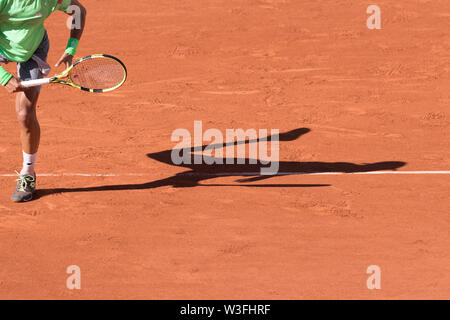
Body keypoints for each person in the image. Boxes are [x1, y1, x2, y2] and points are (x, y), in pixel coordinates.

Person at [0, 0, 87, 202]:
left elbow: (79, 11)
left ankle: (27, 174)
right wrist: (4, 78)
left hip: (32, 49)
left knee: (25, 114)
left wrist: (71, 48)